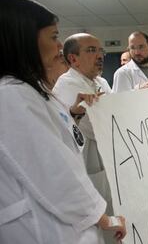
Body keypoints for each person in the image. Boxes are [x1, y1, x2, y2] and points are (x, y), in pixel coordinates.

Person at [0, 0, 126, 243]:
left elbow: (65, 135)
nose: (59, 46)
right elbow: (53, 169)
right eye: (54, 37)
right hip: (46, 224)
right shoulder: (12, 95)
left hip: (72, 207)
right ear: (24, 41)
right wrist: (102, 217)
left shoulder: (32, 91)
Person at [53, 33, 116, 243]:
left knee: (112, 213)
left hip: (108, 159)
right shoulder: (67, 84)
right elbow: (94, 128)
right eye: (91, 50)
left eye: (100, 51)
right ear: (73, 59)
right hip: (88, 162)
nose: (99, 56)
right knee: (98, 223)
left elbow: (118, 113)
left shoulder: (101, 81)